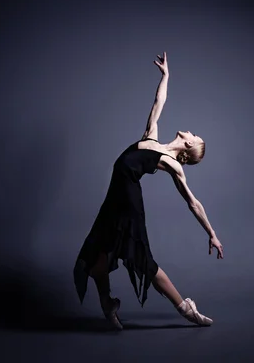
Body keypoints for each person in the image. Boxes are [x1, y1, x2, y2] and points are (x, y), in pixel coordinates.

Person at [73, 52, 224, 330]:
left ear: (189, 149)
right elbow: (159, 102)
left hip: (128, 203)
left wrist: (212, 234)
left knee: (142, 261)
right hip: (114, 200)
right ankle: (107, 304)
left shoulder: (172, 165)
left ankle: (185, 308)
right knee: (98, 257)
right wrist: (166, 76)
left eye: (195, 136)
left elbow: (194, 203)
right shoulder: (150, 137)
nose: (191, 132)